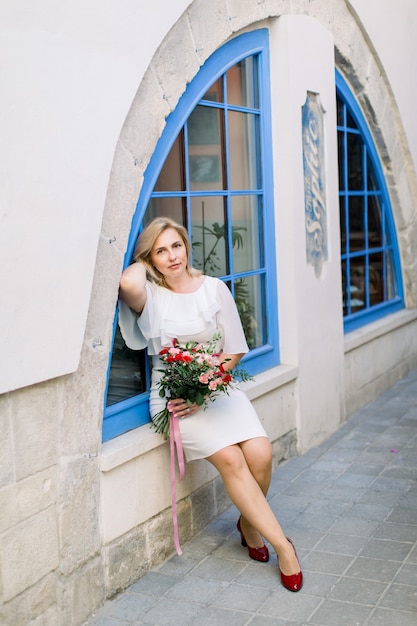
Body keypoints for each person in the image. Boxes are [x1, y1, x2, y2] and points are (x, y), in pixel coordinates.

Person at [118, 216, 303, 592]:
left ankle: (249, 523)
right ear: (151, 259)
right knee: (233, 460)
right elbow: (126, 282)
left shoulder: (214, 289)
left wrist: (206, 385)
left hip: (216, 389)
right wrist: (143, 255)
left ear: (187, 247)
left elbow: (233, 351)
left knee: (261, 453)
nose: (172, 256)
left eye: (176, 245)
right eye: (161, 251)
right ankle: (283, 546)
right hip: (175, 399)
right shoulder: (150, 297)